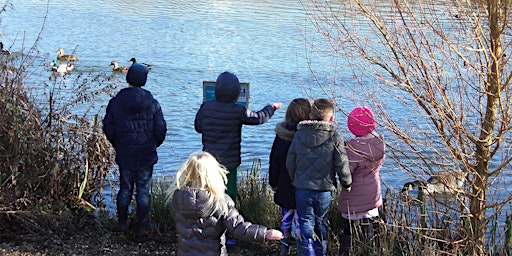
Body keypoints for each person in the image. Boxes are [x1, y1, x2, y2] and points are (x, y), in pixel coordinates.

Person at [168, 151, 283, 256]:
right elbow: (238, 228)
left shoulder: (177, 198)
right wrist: (265, 233)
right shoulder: (221, 200)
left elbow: (177, 219)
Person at [194, 71, 282, 203]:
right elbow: (258, 118)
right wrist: (272, 108)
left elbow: (198, 127)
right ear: (236, 92)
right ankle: (229, 219)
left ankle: (209, 219)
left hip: (208, 161)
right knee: (228, 195)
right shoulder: (238, 110)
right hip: (230, 162)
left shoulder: (205, 107)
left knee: (209, 193)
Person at [103, 63, 167, 235]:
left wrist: (118, 143)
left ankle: (122, 223)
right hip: (146, 153)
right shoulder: (153, 104)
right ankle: (144, 226)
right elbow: (160, 130)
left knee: (125, 189)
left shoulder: (116, 102)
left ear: (127, 78)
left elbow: (108, 127)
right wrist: (153, 145)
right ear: (144, 81)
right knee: (143, 189)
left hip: (125, 152)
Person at [286, 98, 352, 256]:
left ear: (310, 115)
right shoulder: (335, 137)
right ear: (331, 118)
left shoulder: (299, 135)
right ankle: (321, 251)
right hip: (324, 190)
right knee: (321, 222)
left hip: (302, 189)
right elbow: (341, 163)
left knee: (305, 222)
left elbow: (290, 162)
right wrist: (346, 183)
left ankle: (309, 252)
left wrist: (296, 179)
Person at [337, 106, 385, 255]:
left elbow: (347, 172)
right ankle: (369, 251)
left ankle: (345, 252)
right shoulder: (379, 144)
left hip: (353, 194)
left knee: (349, 228)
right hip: (372, 191)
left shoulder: (352, 148)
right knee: (368, 226)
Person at [269, 98, 311, 255]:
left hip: (285, 186)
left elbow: (274, 160)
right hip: (304, 188)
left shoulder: (281, 135)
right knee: (301, 223)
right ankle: (301, 251)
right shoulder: (309, 137)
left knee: (285, 221)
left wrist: (273, 182)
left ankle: (284, 249)